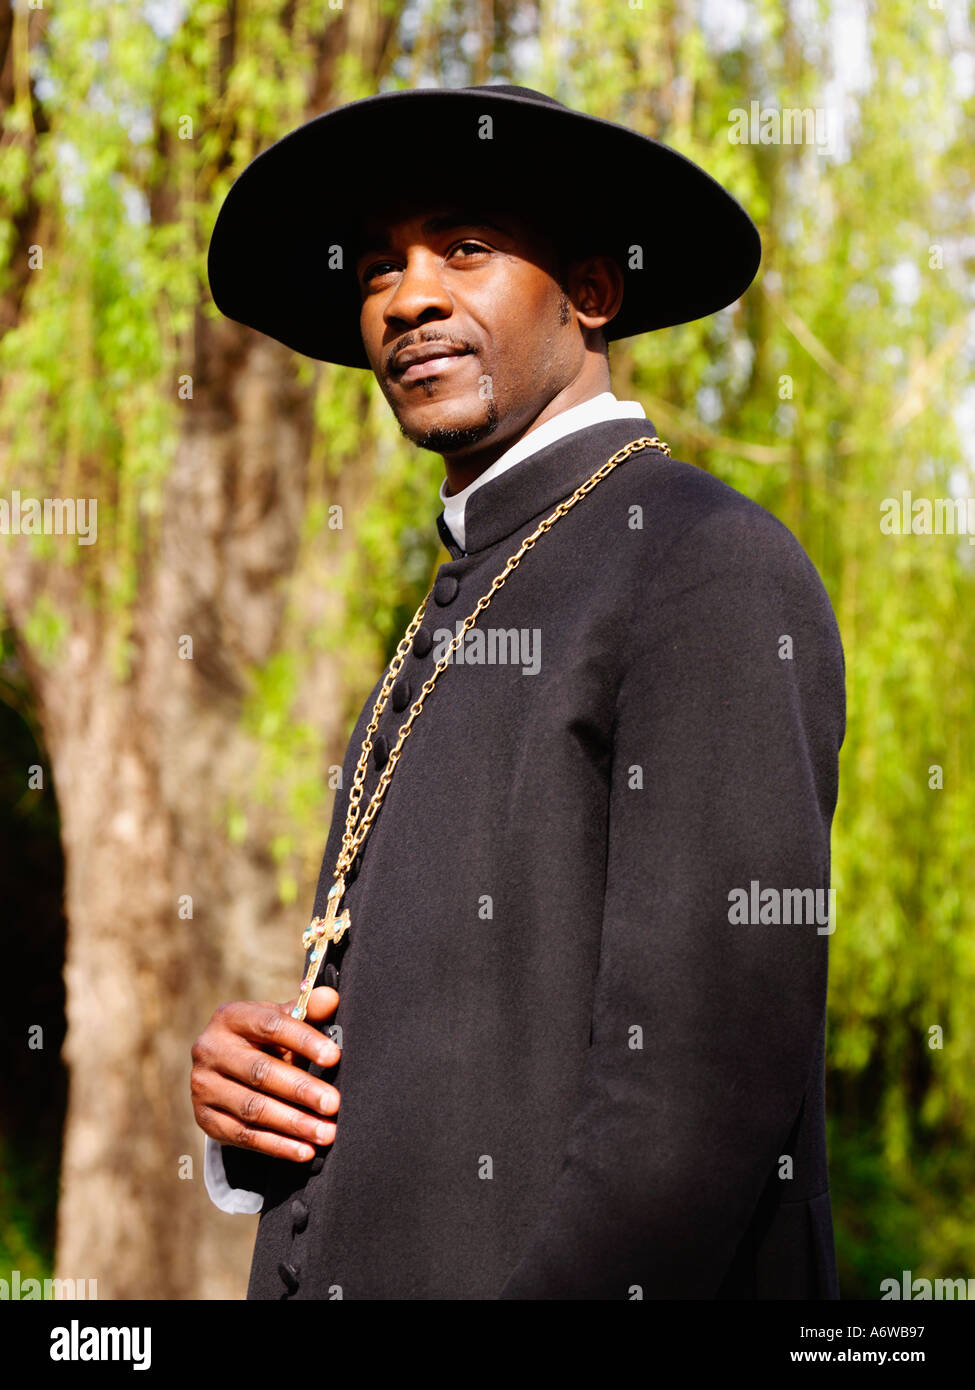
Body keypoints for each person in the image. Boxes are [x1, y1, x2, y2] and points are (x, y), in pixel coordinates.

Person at [192, 84, 846, 1300]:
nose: (410, 295)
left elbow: (699, 1102)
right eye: (381, 265)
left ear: (591, 292)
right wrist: (257, 1111)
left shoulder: (704, 564)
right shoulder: (452, 603)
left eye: (468, 247)